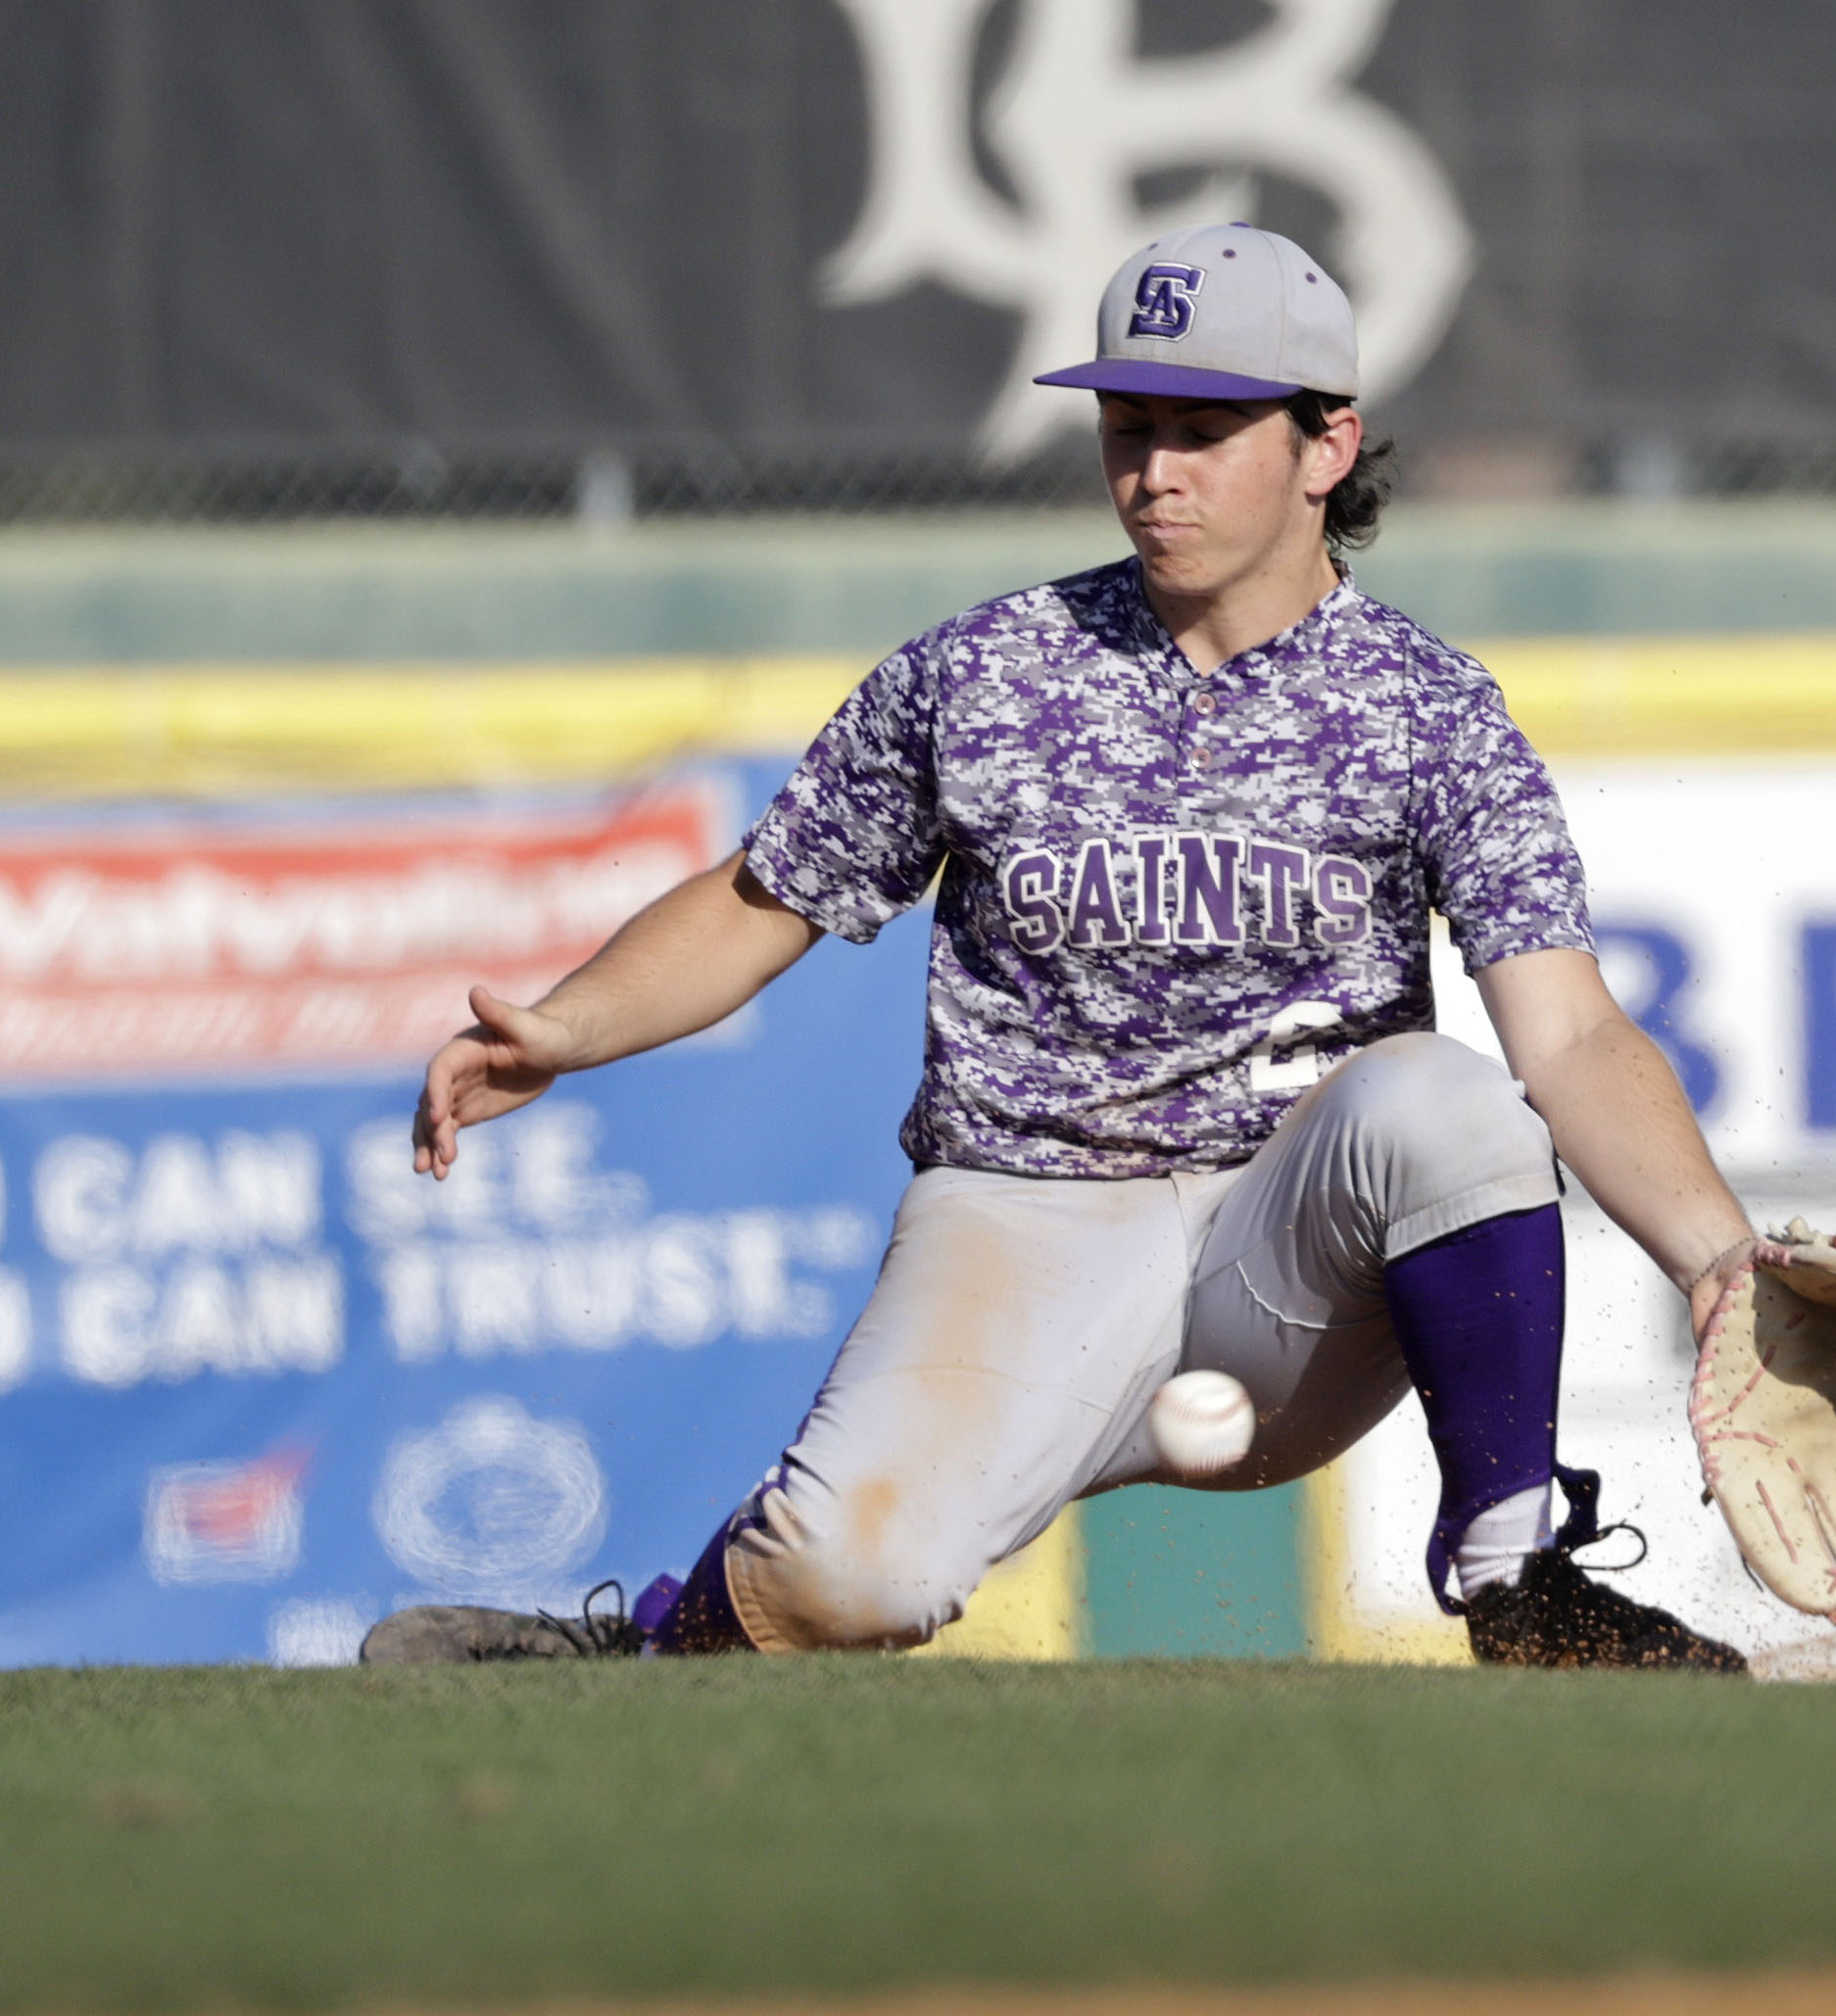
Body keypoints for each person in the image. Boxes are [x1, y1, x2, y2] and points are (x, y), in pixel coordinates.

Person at [365, 224, 1752, 1669]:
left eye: (1207, 431)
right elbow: (763, 895)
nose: (1156, 470)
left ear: (1327, 446)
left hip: (1290, 1262)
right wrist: (572, 1026)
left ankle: (1520, 1583)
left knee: (1447, 1101)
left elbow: (1572, 1034)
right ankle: (657, 1655)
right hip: (1023, 1221)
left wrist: (1718, 1262)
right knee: (854, 1581)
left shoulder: (1431, 709)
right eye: (1129, 426)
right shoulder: (985, 670)